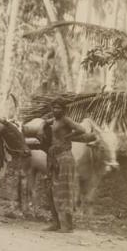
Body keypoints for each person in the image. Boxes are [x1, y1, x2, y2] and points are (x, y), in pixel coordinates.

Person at [43, 97, 85, 233]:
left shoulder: (66, 120)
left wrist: (68, 137)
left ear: (64, 110)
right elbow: (45, 123)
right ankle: (56, 223)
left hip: (65, 157)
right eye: (54, 108)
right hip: (54, 158)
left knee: (65, 191)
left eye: (58, 108)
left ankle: (67, 226)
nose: (55, 110)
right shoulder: (54, 121)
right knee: (51, 190)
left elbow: (81, 129)